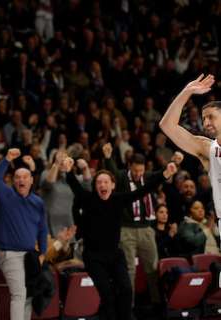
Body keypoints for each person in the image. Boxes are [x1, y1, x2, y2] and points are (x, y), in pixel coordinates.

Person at [60, 157, 177, 320]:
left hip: (115, 255)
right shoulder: (88, 199)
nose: (103, 185)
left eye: (106, 182)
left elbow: (143, 190)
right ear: (95, 186)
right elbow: (74, 185)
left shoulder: (118, 199)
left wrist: (164, 175)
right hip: (94, 257)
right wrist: (68, 169)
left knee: (126, 289)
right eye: (99, 182)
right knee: (107, 295)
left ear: (113, 185)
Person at [101, 144, 166, 305]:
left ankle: (157, 303)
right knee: (129, 270)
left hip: (146, 229)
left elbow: (161, 174)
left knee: (152, 267)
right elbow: (113, 174)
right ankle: (128, 307)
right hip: (126, 230)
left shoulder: (147, 177)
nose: (138, 174)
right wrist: (108, 158)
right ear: (129, 166)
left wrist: (173, 164)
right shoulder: (122, 177)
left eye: (141, 171)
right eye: (135, 170)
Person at [0, 148, 48, 320]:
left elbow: (42, 229)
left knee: (29, 294)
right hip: (10, 255)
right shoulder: (7, 195)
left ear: (31, 181)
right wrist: (6, 159)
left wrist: (43, 253)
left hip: (31, 256)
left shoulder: (38, 202)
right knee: (19, 294)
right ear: (13, 182)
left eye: (25, 177)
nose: (21, 180)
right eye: (17, 177)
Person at [160, 74, 221, 226]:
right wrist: (186, 92)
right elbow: (167, 126)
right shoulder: (208, 148)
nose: (206, 123)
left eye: (211, 117)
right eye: (204, 119)